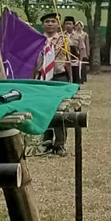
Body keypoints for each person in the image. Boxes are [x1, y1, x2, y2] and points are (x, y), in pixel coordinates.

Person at [33, 12, 71, 155]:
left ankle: (60, 144)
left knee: (60, 110)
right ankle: (46, 141)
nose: (50, 24)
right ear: (42, 24)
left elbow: (68, 60)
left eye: (53, 21)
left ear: (58, 24)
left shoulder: (64, 39)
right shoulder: (37, 40)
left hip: (59, 77)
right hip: (42, 78)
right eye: (47, 21)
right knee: (44, 109)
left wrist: (71, 80)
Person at [62, 16, 85, 85]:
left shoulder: (78, 36)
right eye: (66, 24)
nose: (68, 25)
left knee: (75, 77)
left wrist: (80, 60)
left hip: (75, 59)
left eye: (70, 24)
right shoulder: (61, 35)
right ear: (64, 25)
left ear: (73, 25)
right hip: (64, 59)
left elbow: (81, 48)